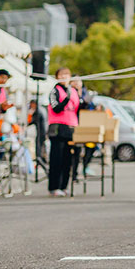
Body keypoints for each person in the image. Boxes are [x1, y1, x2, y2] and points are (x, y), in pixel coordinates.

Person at [46, 67, 80, 197]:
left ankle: (64, 186)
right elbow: (56, 108)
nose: (64, 77)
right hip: (57, 128)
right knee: (57, 159)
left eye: (67, 74)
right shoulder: (54, 91)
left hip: (71, 128)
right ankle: (54, 187)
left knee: (68, 159)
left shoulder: (73, 91)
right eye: (61, 74)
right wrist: (66, 99)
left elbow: (78, 108)